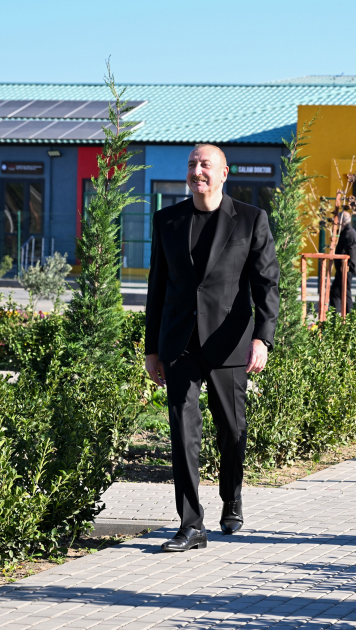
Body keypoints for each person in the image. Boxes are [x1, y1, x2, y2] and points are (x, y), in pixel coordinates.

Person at [144, 143, 279, 552]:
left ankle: (232, 497)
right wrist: (153, 348)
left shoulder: (251, 220)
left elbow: (267, 284)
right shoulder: (167, 220)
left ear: (224, 173)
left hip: (229, 342)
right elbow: (157, 289)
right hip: (179, 343)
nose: (197, 170)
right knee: (183, 433)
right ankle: (191, 525)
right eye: (191, 164)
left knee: (230, 429)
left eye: (205, 164)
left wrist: (263, 337)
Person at [329, 211, 356, 314]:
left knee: (345, 293)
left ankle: (348, 317)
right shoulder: (344, 232)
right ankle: (335, 317)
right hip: (342, 268)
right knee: (335, 293)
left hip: (345, 268)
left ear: (342, 221)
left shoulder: (349, 233)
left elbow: (351, 252)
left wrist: (346, 265)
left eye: (338, 219)